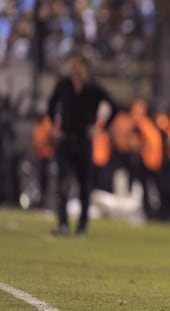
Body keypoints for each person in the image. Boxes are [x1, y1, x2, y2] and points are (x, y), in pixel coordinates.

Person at [47, 49, 119, 236]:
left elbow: (115, 105)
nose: (73, 69)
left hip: (84, 142)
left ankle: (82, 226)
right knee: (63, 182)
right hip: (65, 140)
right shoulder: (63, 85)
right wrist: (54, 125)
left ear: (85, 67)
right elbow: (51, 105)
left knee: (84, 185)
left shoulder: (93, 88)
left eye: (77, 65)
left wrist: (101, 128)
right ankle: (63, 224)